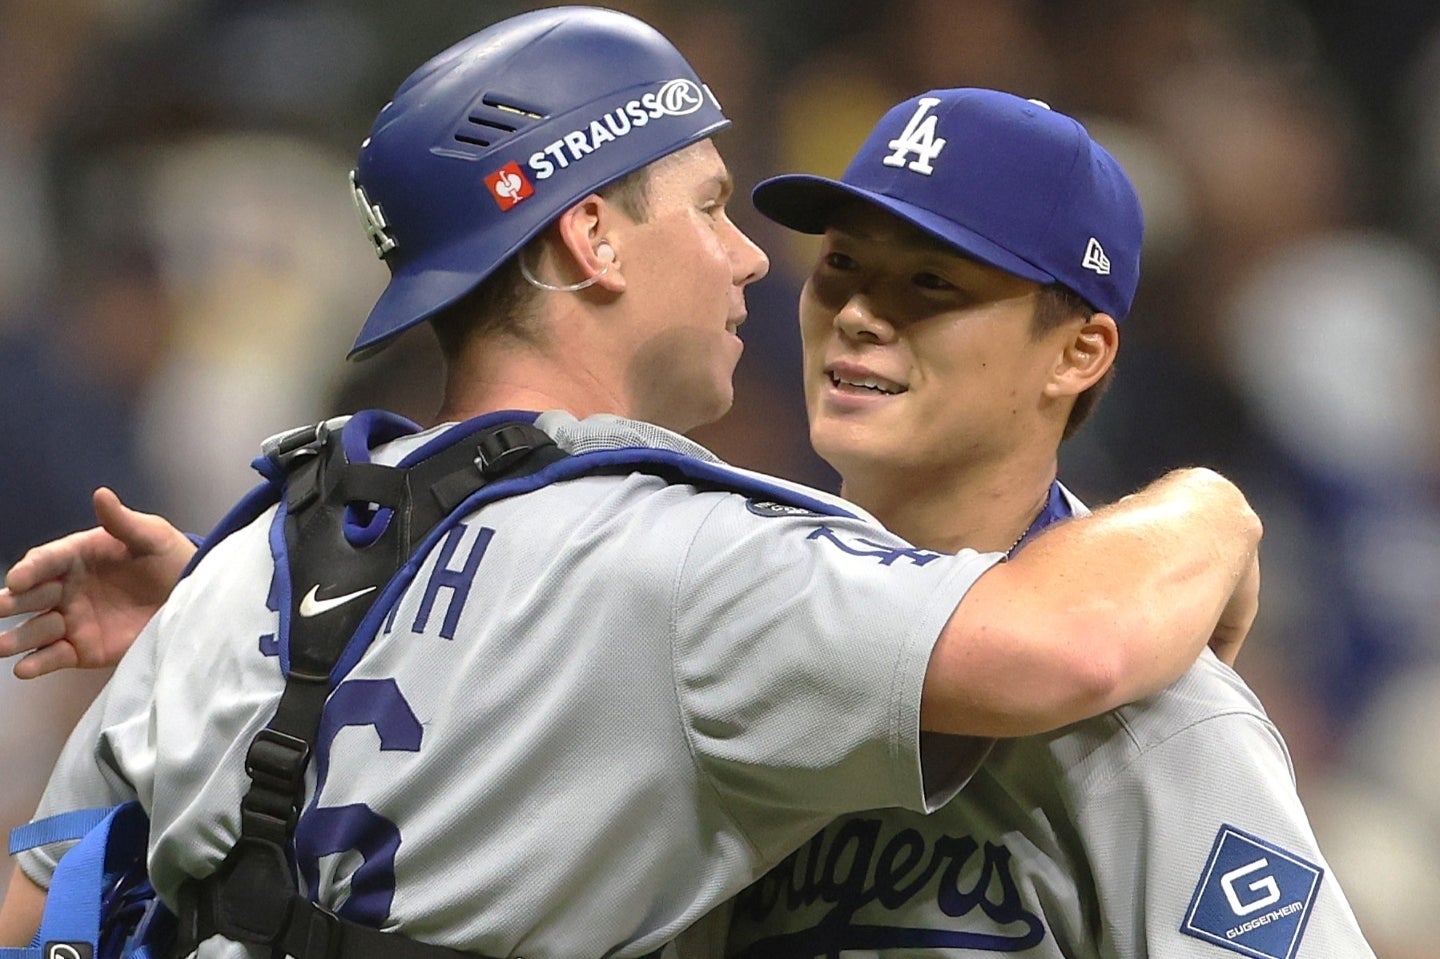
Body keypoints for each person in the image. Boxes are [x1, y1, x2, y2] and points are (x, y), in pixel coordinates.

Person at [0, 11, 1262, 959]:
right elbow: (1075, 640)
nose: (751, 262)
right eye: (712, 207)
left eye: (930, 283)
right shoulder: (702, 565)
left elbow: (39, 902)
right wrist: (1214, 504)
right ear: (590, 235)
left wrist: (239, 656)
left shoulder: (258, 563)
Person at [702, 89, 1372, 958]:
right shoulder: (724, 617)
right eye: (840, 266)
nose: (860, 315)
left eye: (930, 281)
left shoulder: (1157, 719)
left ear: (1078, 352)